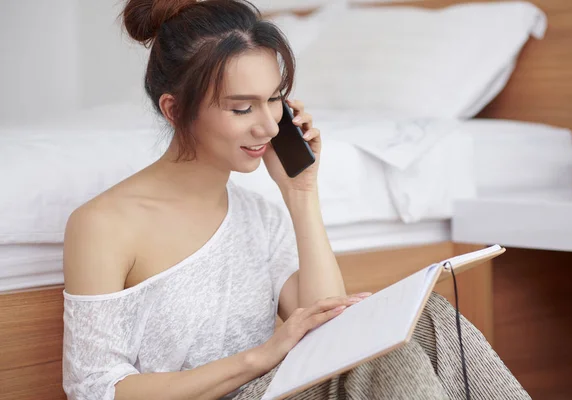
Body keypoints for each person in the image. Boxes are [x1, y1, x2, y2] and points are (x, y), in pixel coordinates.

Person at [61, 1, 530, 399]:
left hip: (276, 388)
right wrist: (261, 356)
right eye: (242, 108)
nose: (267, 126)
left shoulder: (259, 217)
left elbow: (334, 331)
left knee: (427, 319)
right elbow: (96, 388)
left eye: (274, 100)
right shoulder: (103, 224)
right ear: (174, 108)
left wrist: (301, 194)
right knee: (389, 348)